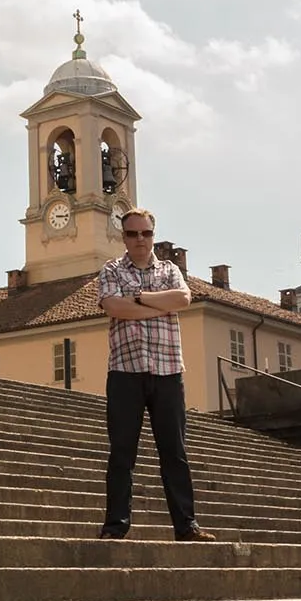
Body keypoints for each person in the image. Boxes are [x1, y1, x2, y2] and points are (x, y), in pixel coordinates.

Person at [96, 209, 215, 543]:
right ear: (124, 237)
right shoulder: (111, 269)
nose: (139, 240)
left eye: (145, 234)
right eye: (133, 234)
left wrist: (139, 298)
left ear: (153, 234)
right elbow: (113, 307)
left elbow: (183, 298)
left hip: (167, 371)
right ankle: (115, 526)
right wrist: (161, 307)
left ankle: (186, 526)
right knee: (122, 452)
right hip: (125, 372)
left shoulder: (170, 269)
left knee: (174, 452)